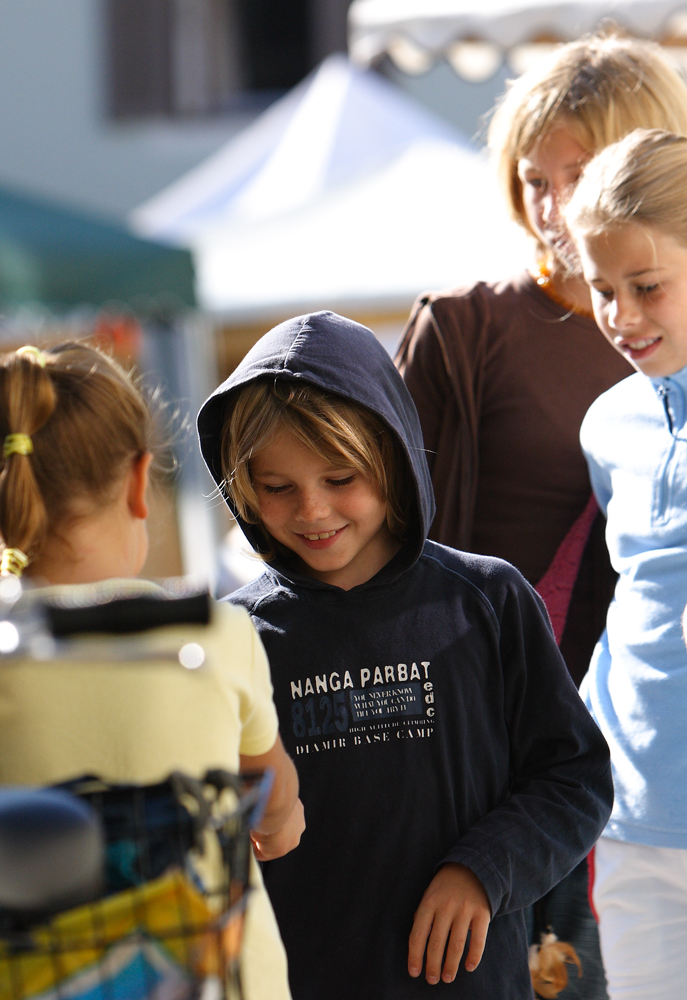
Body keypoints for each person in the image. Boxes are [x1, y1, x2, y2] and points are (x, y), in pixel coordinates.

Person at [196, 309, 613, 1000]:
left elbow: (574, 778)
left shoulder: (486, 600)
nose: (311, 510)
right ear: (241, 487)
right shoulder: (231, 639)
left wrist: (482, 870)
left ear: (392, 457)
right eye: (277, 488)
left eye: (340, 478)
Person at [394, 30, 687, 997]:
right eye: (533, 179)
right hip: (529, 759)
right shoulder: (468, 331)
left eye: (584, 171)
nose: (557, 206)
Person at [0, 342, 303, 1000]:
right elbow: (274, 798)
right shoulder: (212, 631)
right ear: (137, 480)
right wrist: (279, 817)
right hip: (216, 979)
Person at [564, 128, 687, 1000]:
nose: (621, 314)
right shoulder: (606, 424)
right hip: (633, 814)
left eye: (646, 287)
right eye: (602, 289)